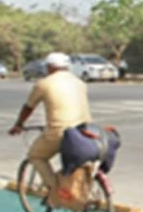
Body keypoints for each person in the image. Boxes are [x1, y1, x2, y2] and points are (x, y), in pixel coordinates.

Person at [8, 52, 92, 190]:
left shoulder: (44, 84)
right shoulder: (80, 82)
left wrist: (18, 125)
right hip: (82, 130)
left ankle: (56, 190)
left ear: (51, 67)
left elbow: (28, 107)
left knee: (36, 156)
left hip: (59, 131)